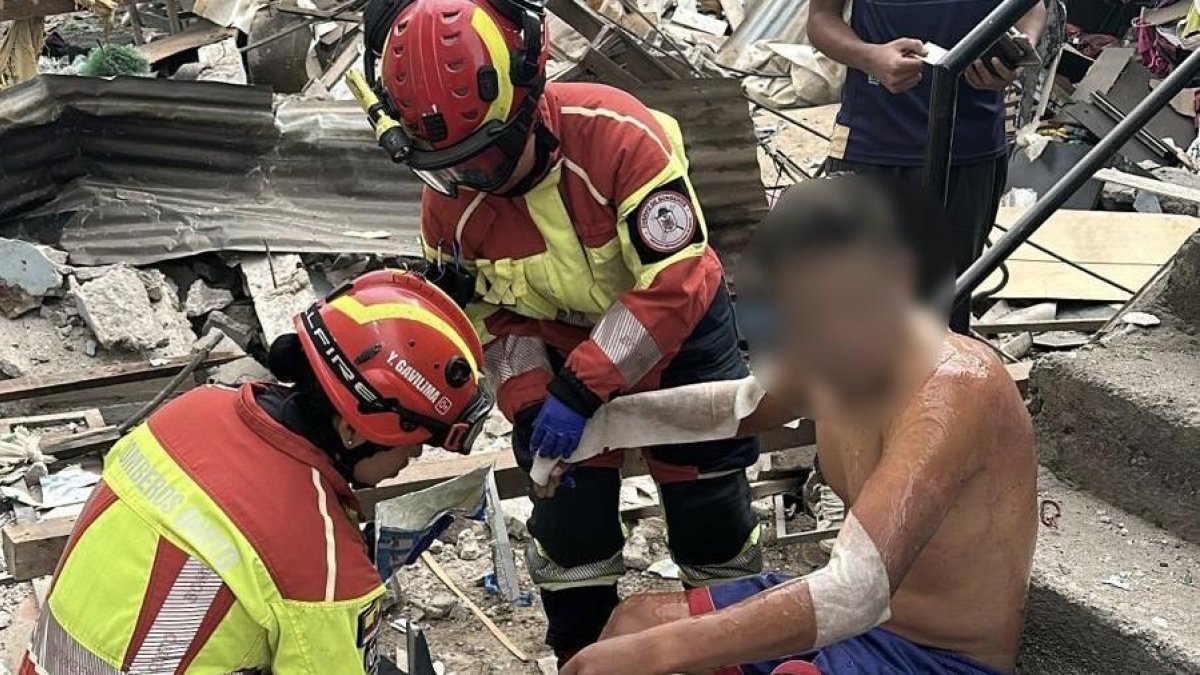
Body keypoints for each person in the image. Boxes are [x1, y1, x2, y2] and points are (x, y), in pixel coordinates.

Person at [354, 0, 761, 662]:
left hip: (682, 337)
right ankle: (583, 654)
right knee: (569, 529)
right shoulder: (450, 206)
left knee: (710, 512)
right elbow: (485, 319)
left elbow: (676, 281)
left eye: (485, 158)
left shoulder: (616, 134)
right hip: (563, 353)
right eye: (450, 165)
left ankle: (741, 648)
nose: (471, 179)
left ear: (527, 102)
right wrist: (533, 398)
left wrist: (583, 388)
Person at [552, 176, 1037, 675]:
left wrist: (657, 654)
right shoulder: (837, 351)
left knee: (680, 654)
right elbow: (739, 407)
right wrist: (598, 427)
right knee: (638, 621)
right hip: (853, 623)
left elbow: (856, 591)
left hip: (934, 655)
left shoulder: (952, 390)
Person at [21, 270, 491, 675]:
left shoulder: (191, 411)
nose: (412, 460)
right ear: (353, 428)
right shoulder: (325, 568)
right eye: (415, 444)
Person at [808, 0, 1048, 334]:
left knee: (945, 311)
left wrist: (1020, 48)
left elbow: (1030, 7)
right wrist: (869, 57)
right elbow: (821, 18)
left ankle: (944, 387)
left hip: (969, 149)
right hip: (874, 144)